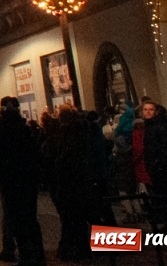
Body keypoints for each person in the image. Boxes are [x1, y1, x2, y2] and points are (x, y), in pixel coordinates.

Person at [0, 97, 45, 265]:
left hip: (11, 179)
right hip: (28, 178)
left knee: (16, 218)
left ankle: (26, 256)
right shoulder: (25, 129)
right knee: (29, 218)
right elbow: (36, 153)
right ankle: (37, 256)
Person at [44, 107, 93, 262]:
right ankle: (79, 249)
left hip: (67, 182)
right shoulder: (83, 132)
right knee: (79, 217)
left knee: (70, 217)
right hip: (80, 180)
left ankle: (72, 249)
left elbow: (54, 159)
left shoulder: (63, 136)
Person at [130, 98, 167, 230]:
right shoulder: (150, 126)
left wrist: (157, 164)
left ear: (156, 111)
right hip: (156, 167)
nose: (148, 112)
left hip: (163, 168)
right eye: (145, 110)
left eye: (151, 109)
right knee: (163, 196)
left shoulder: (162, 126)